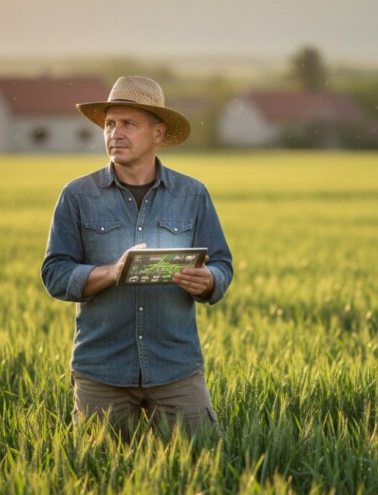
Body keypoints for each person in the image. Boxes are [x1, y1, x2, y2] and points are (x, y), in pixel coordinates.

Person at [41, 76, 233, 438]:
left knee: (200, 468)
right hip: (102, 372)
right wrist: (113, 272)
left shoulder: (193, 195)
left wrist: (209, 282)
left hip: (176, 369)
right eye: (110, 124)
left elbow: (222, 265)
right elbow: (54, 274)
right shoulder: (77, 196)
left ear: (158, 134)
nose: (115, 133)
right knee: (100, 478)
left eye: (128, 124)